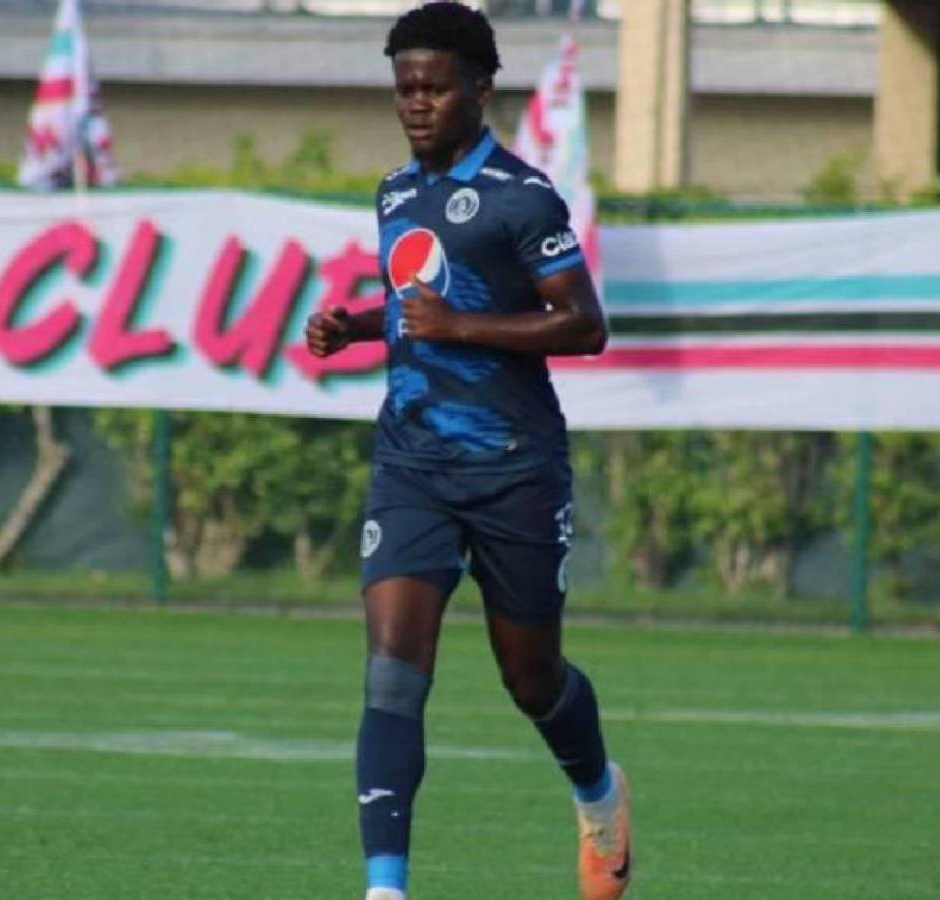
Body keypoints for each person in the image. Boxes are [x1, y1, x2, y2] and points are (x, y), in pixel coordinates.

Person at [305, 5, 631, 899]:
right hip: (412, 466)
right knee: (391, 676)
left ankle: (598, 792)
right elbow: (427, 300)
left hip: (515, 467)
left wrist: (460, 326)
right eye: (404, 88)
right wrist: (357, 325)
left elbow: (585, 325)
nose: (417, 104)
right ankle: (385, 888)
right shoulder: (394, 193)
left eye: (435, 88)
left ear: (480, 90)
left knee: (531, 678)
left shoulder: (522, 196)